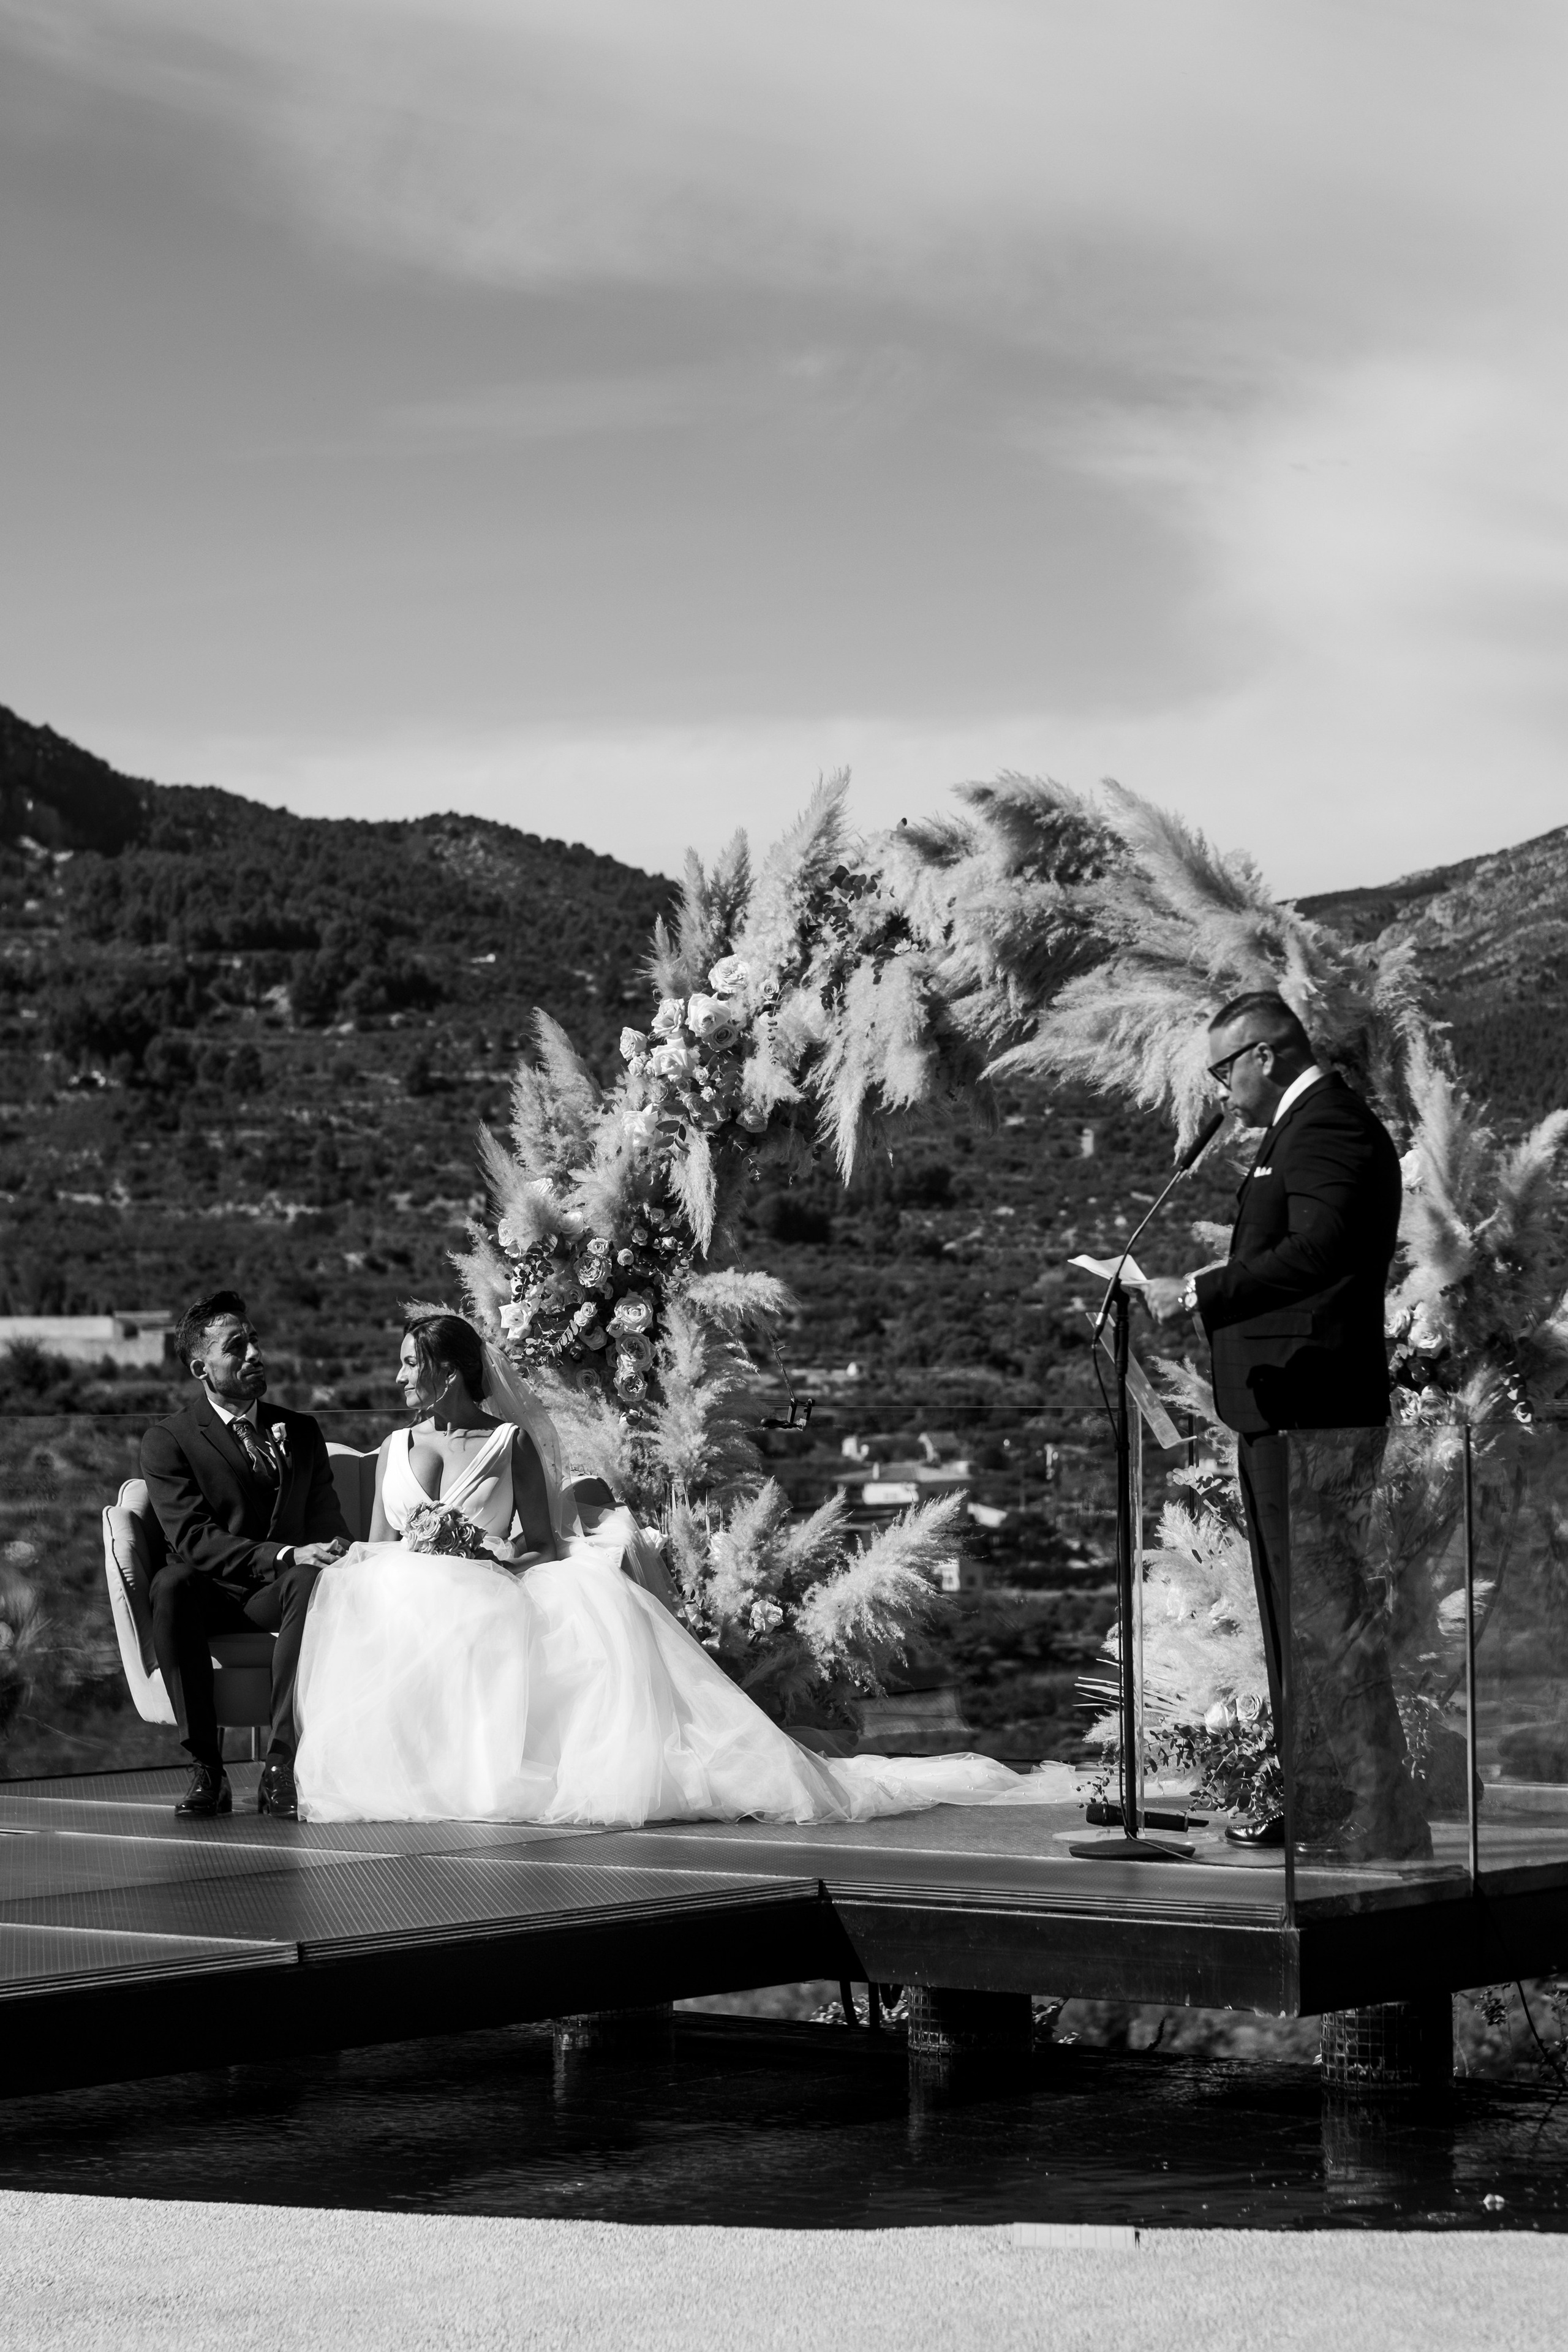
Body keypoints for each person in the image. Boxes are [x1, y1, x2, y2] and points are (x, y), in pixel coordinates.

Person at [292, 1312, 1031, 1827]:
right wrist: (400, 1554)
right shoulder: (394, 1446)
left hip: (490, 1584)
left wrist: (476, 1552)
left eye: (409, 1363)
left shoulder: (507, 1442)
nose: (396, 1376)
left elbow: (542, 1545)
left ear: (449, 1372)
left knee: (511, 1616)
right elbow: (381, 1542)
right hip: (412, 1593)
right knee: (362, 1587)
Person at [1145, 992, 1431, 1863]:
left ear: (1265, 1056)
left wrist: (1195, 1291)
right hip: (1283, 1410)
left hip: (1318, 1414)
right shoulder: (1297, 1131)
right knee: (1294, 1621)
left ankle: (1381, 1819)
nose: (1220, 1092)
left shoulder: (1329, 1127)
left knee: (1328, 1620)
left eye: (1223, 1071)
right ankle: (1317, 1803)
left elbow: (1321, 1250)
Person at [141, 1292, 350, 1819]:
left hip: (275, 1595)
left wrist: (332, 1548)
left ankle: (281, 1765)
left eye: (254, 1339)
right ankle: (207, 1769)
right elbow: (192, 1539)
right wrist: (284, 1555)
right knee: (172, 1583)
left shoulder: (300, 1430)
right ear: (201, 1367)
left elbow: (329, 1524)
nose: (254, 1353)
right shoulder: (169, 1440)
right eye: (236, 1347)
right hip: (213, 1592)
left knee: (310, 1579)